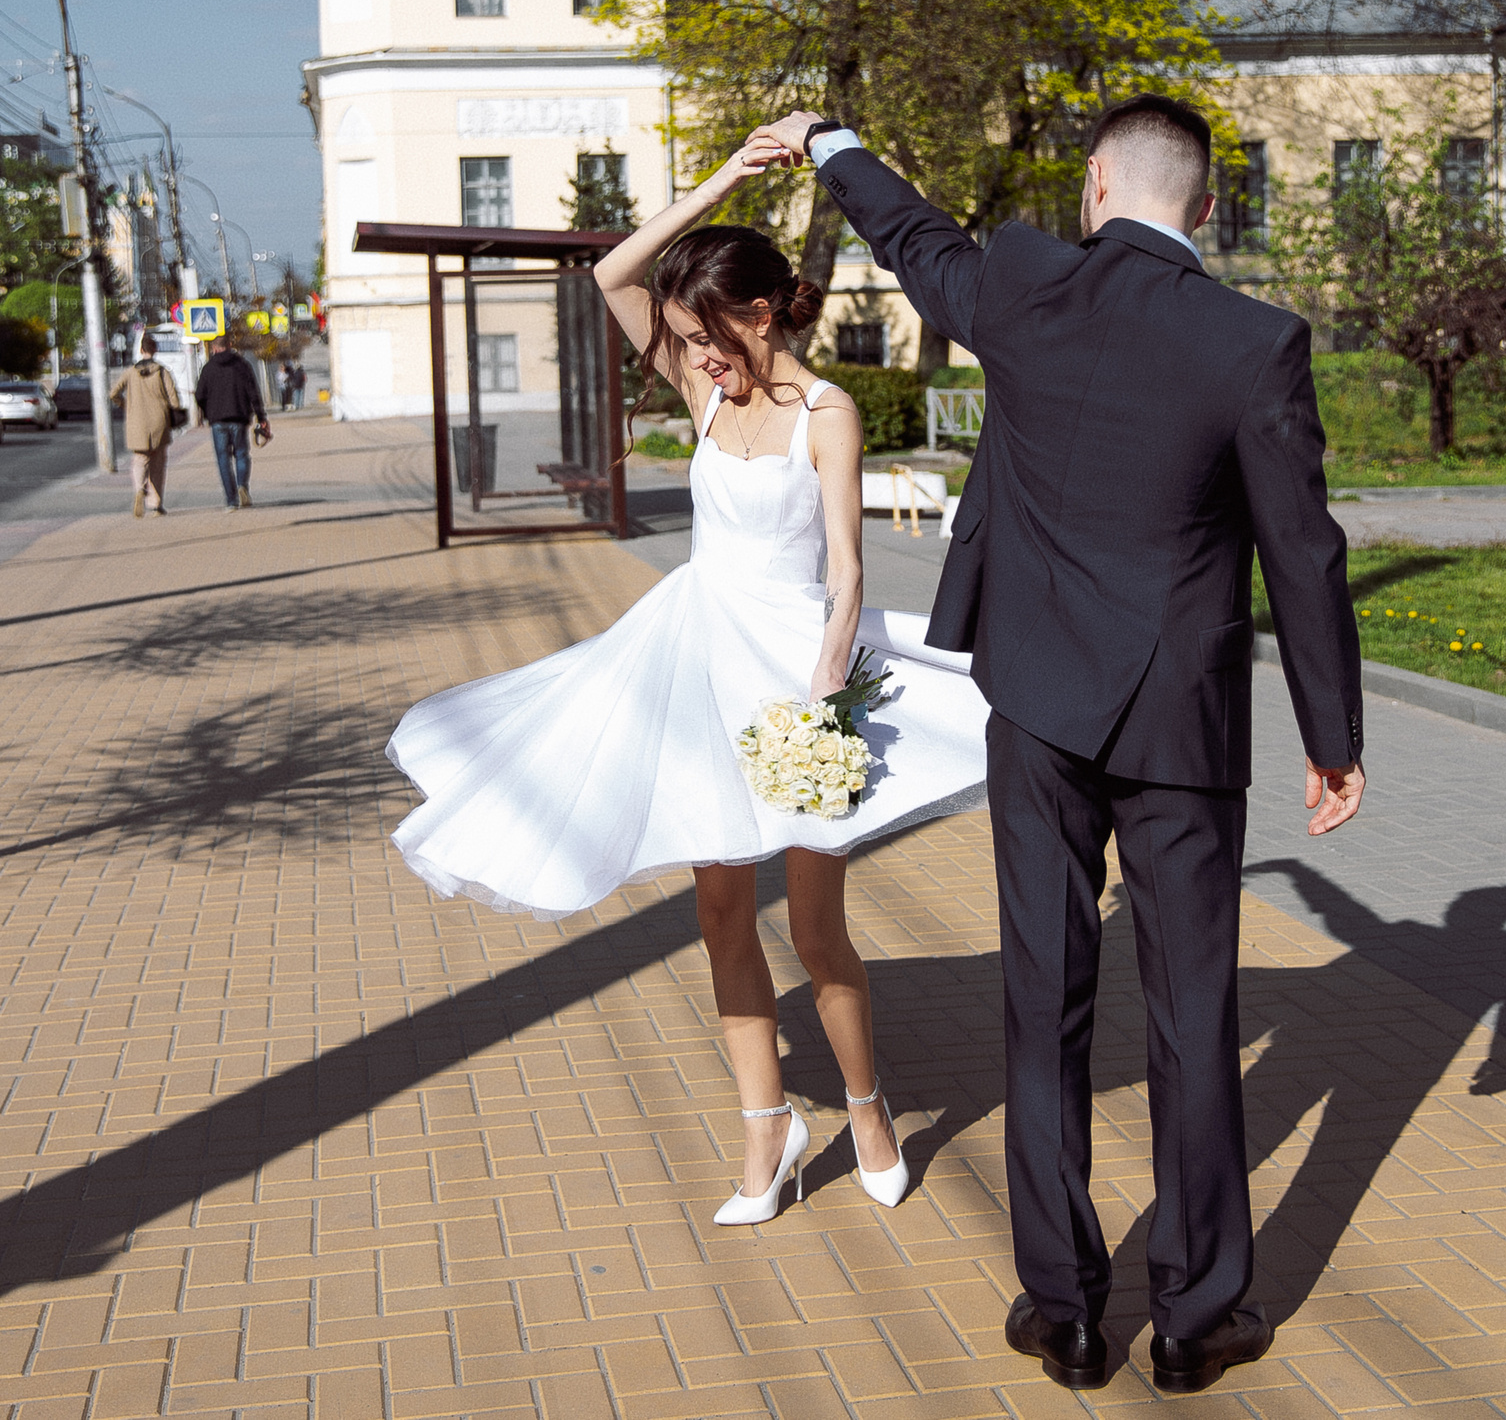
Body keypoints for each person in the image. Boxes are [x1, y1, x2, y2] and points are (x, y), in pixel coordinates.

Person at [748, 97, 1366, 1396]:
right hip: (1185, 719)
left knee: (1048, 1000)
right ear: (1201, 208)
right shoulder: (1255, 341)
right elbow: (1303, 546)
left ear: (1096, 186)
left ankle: (1065, 1306)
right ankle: (1203, 1312)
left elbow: (912, 237)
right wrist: (1332, 734)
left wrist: (830, 142)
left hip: (1037, 703)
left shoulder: (1028, 283)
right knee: (1197, 1011)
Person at [385, 140, 989, 1228]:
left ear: (765, 314)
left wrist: (820, 710)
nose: (695, 357)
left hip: (797, 674)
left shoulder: (827, 415)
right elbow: (614, 276)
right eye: (687, 341)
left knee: (815, 932)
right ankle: (766, 1129)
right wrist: (719, 188)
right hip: (695, 663)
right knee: (718, 913)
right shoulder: (701, 392)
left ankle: (865, 1109)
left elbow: (846, 578)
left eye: (712, 335)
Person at [109, 333, 182, 519]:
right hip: (159, 420)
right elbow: (174, 398)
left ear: (141, 350)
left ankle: (139, 488)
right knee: (158, 463)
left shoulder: (129, 372)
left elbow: (113, 393)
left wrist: (126, 406)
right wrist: (176, 413)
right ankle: (156, 504)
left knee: (140, 458)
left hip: (137, 421)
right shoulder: (162, 371)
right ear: (155, 350)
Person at [195, 342, 271, 508]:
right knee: (242, 454)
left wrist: (208, 413)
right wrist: (261, 416)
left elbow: (200, 394)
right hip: (239, 417)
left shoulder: (208, 368)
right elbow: (253, 392)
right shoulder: (241, 365)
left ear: (214, 348)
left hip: (218, 421)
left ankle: (231, 500)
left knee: (223, 459)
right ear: (229, 345)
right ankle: (242, 485)